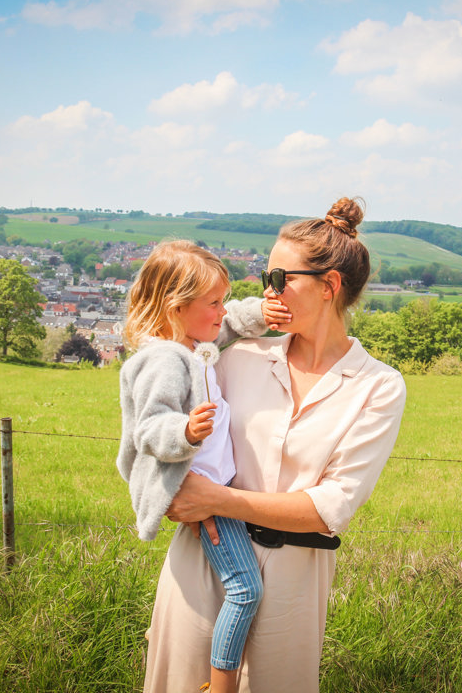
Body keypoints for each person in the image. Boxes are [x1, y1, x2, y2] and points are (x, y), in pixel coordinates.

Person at [141, 198, 407, 693]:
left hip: (293, 584)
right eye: (266, 278)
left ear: (329, 286)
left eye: (281, 279)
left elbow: (332, 508)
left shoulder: (379, 386)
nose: (268, 291)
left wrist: (217, 499)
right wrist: (169, 488)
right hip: (203, 560)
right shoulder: (237, 357)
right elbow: (158, 411)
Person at [117, 240, 290, 693]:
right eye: (212, 303)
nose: (221, 311)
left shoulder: (194, 343)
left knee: (240, 586)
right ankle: (220, 684)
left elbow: (231, 322)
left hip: (212, 485)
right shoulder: (165, 360)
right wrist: (186, 432)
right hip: (205, 493)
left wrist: (265, 313)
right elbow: (149, 429)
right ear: (177, 307)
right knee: (244, 589)